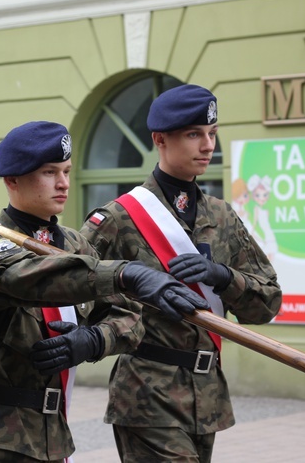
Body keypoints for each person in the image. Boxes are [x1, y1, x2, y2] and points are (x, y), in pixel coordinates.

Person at [0, 121, 209, 462]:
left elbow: (128, 316)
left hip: (53, 432)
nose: (64, 183)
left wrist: (94, 340)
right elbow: (33, 278)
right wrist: (125, 273)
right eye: (49, 172)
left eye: (67, 171)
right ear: (12, 180)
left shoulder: (73, 242)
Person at [80, 84, 282, 463]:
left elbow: (267, 303)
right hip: (146, 394)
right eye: (194, 134)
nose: (208, 145)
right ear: (160, 139)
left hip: (207, 396)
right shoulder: (119, 218)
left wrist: (223, 277)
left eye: (212, 133)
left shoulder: (222, 217)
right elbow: (69, 289)